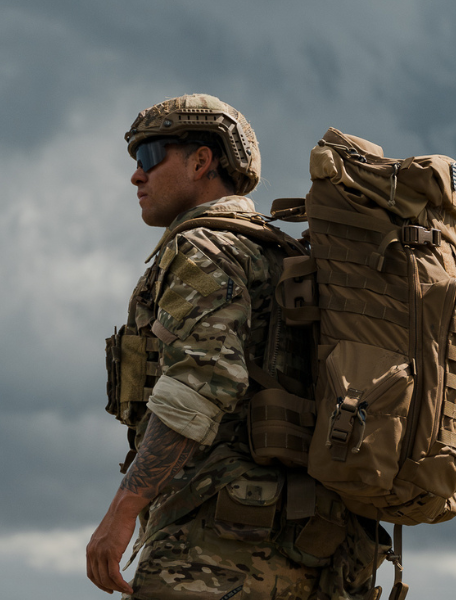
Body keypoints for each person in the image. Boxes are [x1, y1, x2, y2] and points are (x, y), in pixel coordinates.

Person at [85, 94, 386, 599]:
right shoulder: (282, 253)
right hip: (314, 549)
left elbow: (202, 383)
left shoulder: (202, 248)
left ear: (201, 161)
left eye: (148, 157)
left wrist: (120, 513)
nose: (136, 177)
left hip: (218, 550)